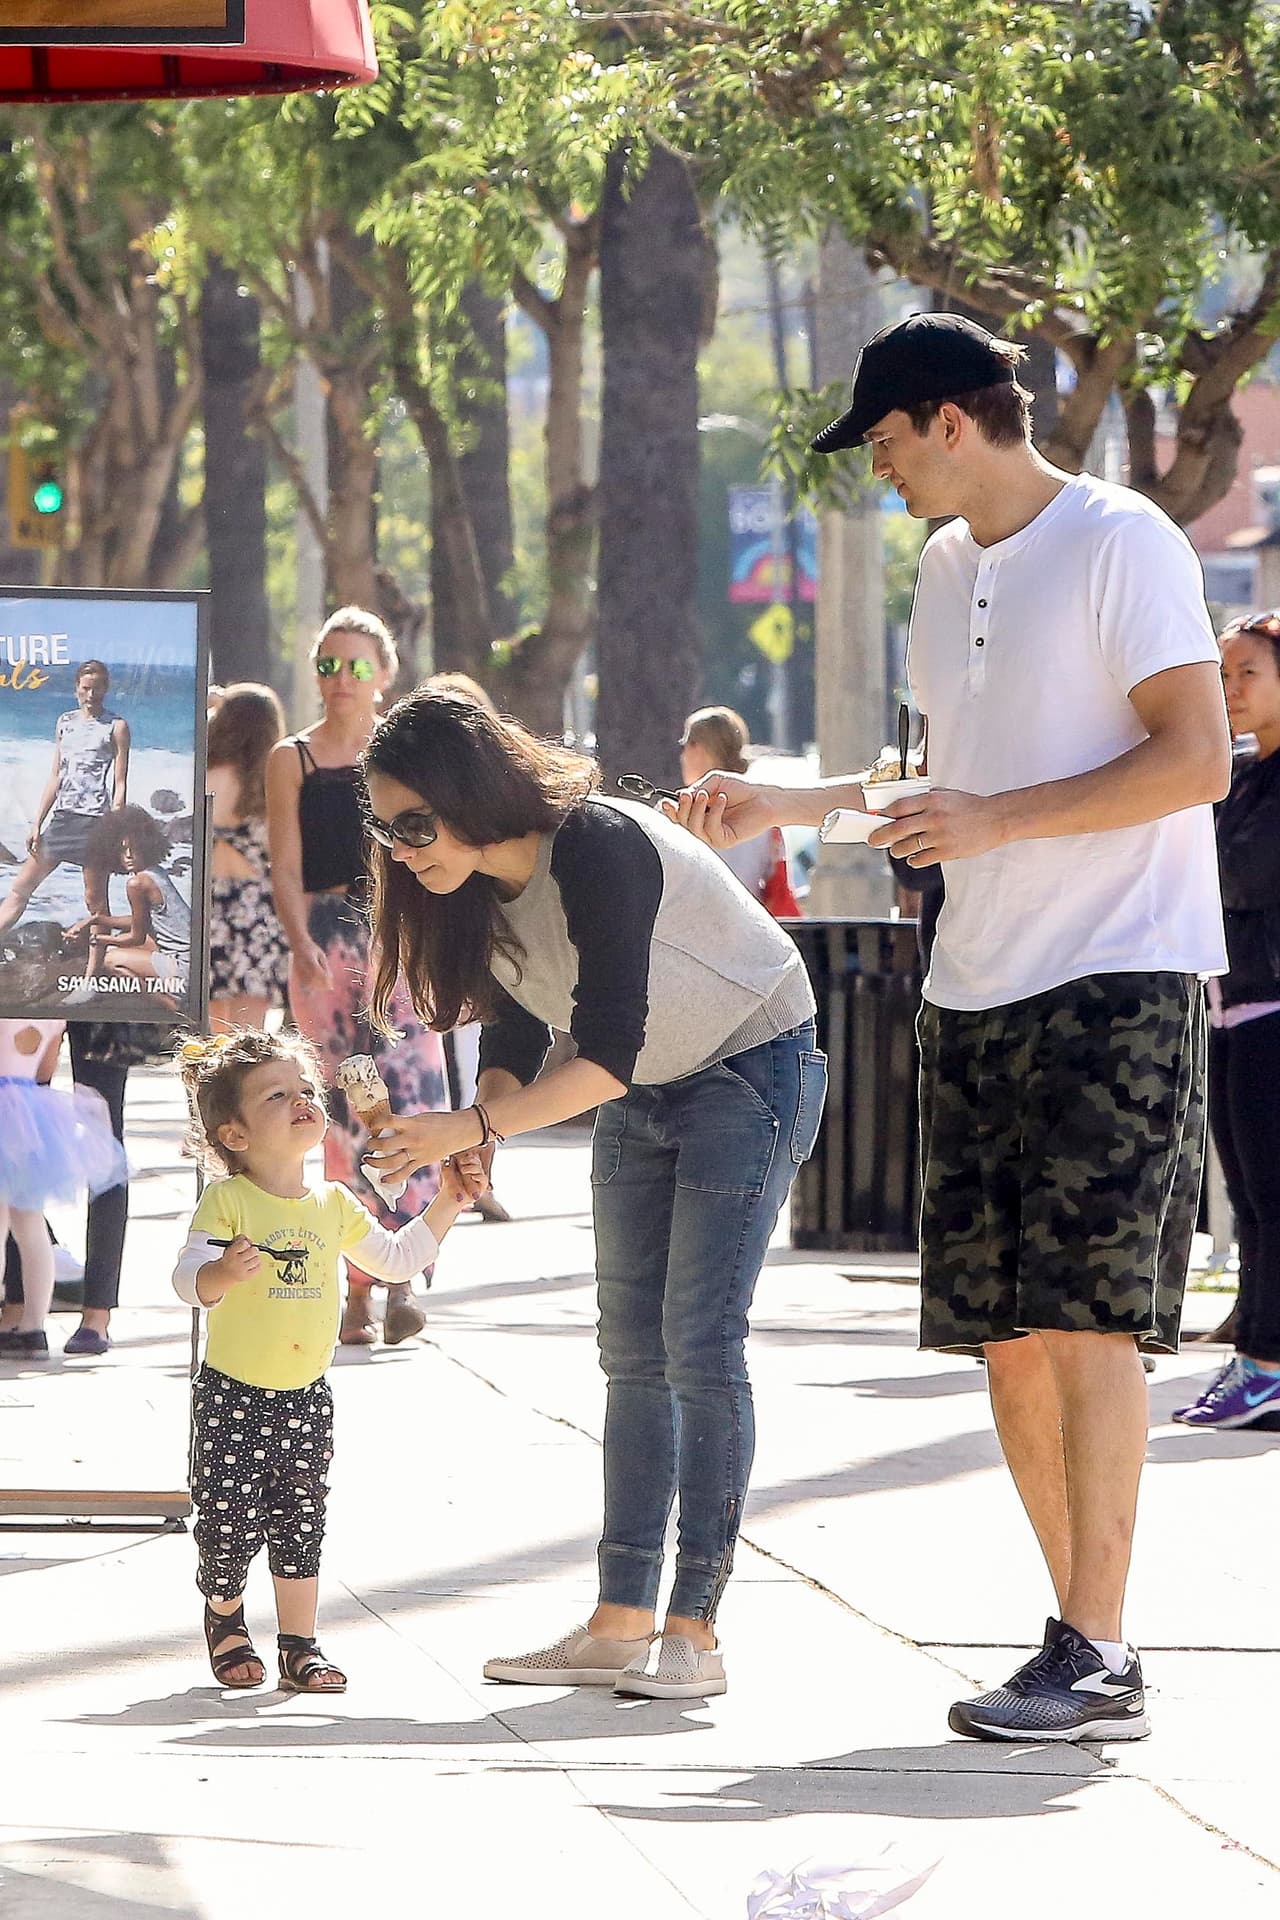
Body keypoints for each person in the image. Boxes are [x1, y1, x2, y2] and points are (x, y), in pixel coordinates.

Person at [671, 310, 1230, 1741]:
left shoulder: (1123, 542)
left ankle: (1099, 1646)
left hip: (1119, 975)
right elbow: (942, 775)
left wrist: (999, 820)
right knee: (1003, 1334)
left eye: (883, 443)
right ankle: (1076, 1642)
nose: (878, 471)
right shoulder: (941, 567)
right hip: (969, 983)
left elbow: (1196, 755)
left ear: (948, 421)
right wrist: (790, 806)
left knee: (1086, 1318)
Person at [359, 687, 827, 1699]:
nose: (400, 847)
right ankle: (619, 1621)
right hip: (647, 1084)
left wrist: (470, 1127)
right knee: (629, 1353)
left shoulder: (598, 846)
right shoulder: (469, 887)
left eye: (413, 821)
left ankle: (692, 1632)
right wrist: (483, 1120)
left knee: (697, 1344)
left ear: (466, 792)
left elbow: (604, 1053)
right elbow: (521, 1026)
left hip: (748, 1063)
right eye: (382, 827)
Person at [171, 1028, 485, 1691]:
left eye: (306, 1089)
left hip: (306, 1395)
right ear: (235, 1135)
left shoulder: (333, 1204)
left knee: (301, 1521)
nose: (301, 1099)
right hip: (232, 1394)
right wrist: (223, 1271)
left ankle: (299, 1643)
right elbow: (187, 1281)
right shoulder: (228, 1201)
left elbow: (398, 1257)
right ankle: (225, 1616)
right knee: (226, 1525)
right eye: (276, 1095)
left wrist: (450, 1202)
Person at [266, 608, 451, 1348]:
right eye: (328, 666)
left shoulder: (405, 754)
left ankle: (402, 1272)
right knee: (344, 1112)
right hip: (324, 945)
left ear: (385, 673)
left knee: (410, 1099)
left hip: (400, 938)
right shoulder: (292, 758)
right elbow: (283, 863)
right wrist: (295, 938)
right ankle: (355, 1287)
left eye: (357, 666)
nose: (341, 681)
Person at [1174, 610, 1280, 1427]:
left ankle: (1267, 1365)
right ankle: (1255, 1338)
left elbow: (1239, 880)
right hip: (1228, 1002)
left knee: (1272, 1196)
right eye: (1221, 673)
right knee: (1247, 1195)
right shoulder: (1235, 773)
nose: (1230, 688)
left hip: (1273, 1008)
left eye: (1247, 672)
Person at [0, 1018, 127, 1360]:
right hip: (30, 1105)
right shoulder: (49, 1020)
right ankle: (28, 1319)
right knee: (29, 1221)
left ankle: (83, 1314)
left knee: (15, 1222)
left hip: (95, 995)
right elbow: (44, 1069)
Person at [0, 660, 129, 940]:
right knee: (21, 887)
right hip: (62, 819)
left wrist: (118, 829)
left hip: (96, 824)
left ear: (106, 689)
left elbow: (119, 784)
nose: (91, 695)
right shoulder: (65, 723)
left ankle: (93, 975)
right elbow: (55, 776)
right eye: (86, 689)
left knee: (95, 902)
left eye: (97, 689)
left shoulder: (116, 726)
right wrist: (37, 824)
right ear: (76, 689)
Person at [206, 684, 289, 1034]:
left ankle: (209, 1091)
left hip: (207, 909)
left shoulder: (200, 775)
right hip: (256, 912)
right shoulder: (270, 785)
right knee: (249, 1037)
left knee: (212, 1038)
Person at [679, 706, 797, 915]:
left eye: (685, 746)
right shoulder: (764, 814)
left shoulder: (672, 814)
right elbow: (777, 890)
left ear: (698, 749)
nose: (682, 756)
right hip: (748, 931)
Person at [81, 804, 190, 1006]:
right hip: (192, 963)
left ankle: (170, 1006)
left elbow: (135, 936)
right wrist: (96, 919)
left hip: (183, 970)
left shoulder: (137, 883)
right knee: (135, 940)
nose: (129, 855)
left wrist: (98, 939)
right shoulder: (156, 872)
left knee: (110, 960)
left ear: (146, 846)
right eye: (123, 850)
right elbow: (141, 922)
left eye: (134, 848)